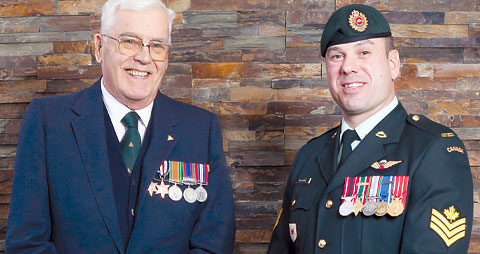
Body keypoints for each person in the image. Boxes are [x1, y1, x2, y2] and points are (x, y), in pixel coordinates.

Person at [5, 0, 235, 253]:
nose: (144, 58)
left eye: (157, 45)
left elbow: (214, 243)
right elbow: (26, 244)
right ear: (99, 47)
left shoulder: (201, 129)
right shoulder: (47, 122)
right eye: (129, 41)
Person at [268, 4, 473, 253]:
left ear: (393, 64)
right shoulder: (308, 156)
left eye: (364, 52)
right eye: (336, 56)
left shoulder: (433, 151)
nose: (348, 67)